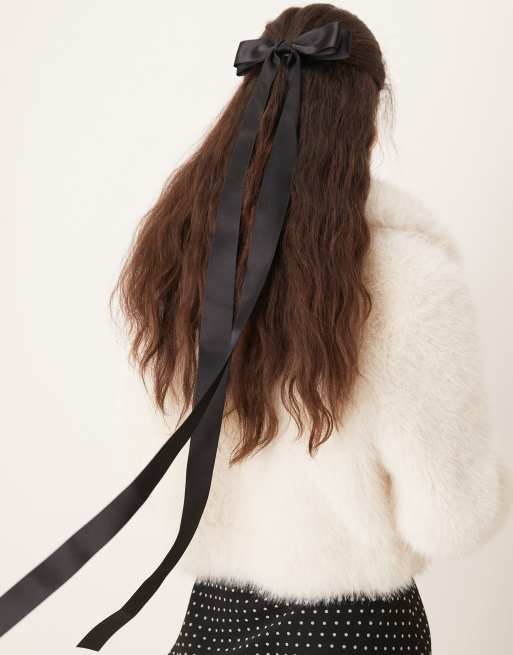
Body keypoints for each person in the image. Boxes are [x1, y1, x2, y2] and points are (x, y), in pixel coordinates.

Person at [0, 3, 507, 654]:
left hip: (212, 620)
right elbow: (450, 519)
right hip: (356, 629)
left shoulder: (184, 260)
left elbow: (163, 461)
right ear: (368, 112)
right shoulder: (413, 281)